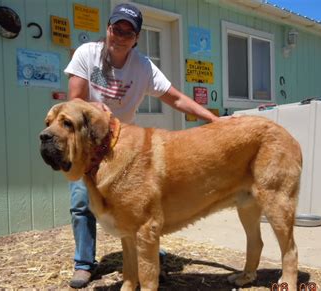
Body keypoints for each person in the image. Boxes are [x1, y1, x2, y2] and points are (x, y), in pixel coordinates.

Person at [64, 3, 220, 288]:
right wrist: (93, 107)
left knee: (139, 206)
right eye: (116, 28)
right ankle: (84, 264)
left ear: (136, 37)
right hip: (88, 144)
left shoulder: (143, 66)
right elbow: (74, 98)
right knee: (81, 203)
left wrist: (211, 118)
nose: (120, 35)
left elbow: (174, 98)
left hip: (124, 145)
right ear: (108, 29)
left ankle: (148, 256)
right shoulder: (87, 54)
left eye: (128, 31)